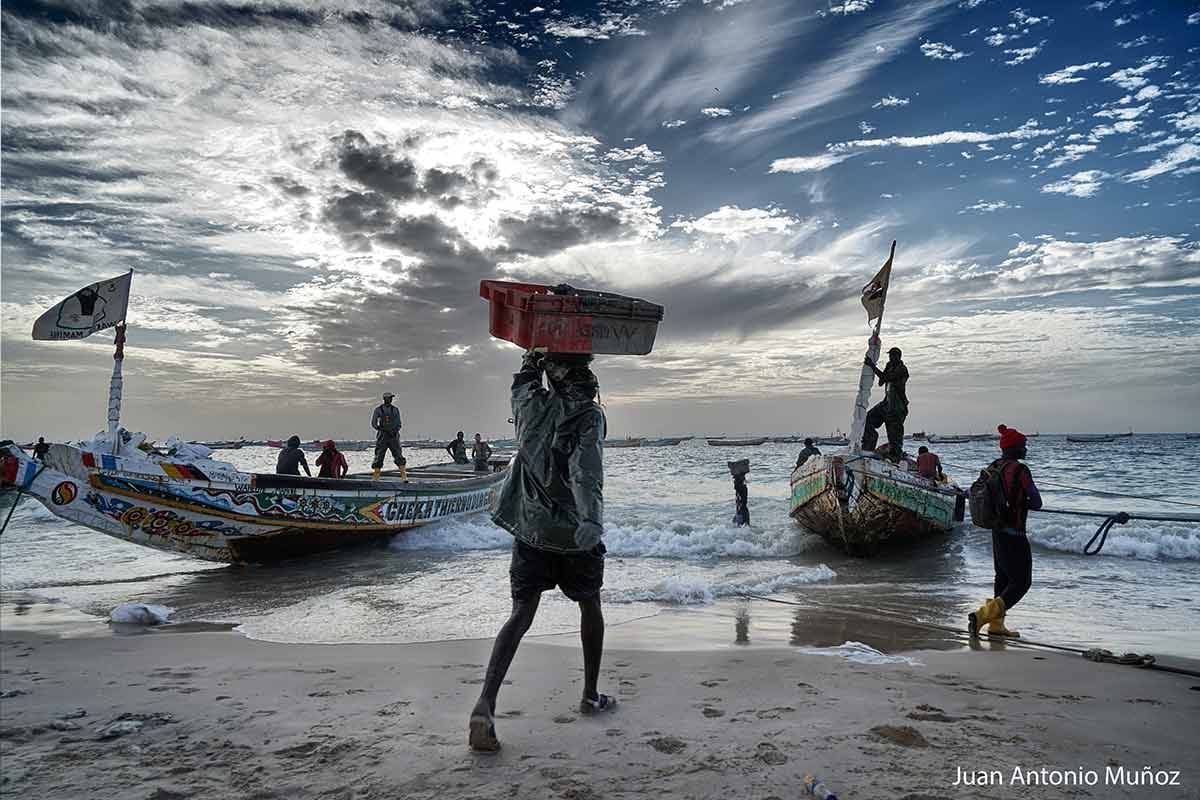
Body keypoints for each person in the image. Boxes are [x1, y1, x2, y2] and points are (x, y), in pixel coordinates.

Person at [469, 351, 611, 752]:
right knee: (590, 606)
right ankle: (589, 694)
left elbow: (521, 384)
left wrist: (534, 357)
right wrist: (591, 519)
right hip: (572, 533)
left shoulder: (530, 406)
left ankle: (485, 703)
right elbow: (586, 470)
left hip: (529, 529)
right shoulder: (588, 415)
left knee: (520, 615)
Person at [968, 424, 1042, 639]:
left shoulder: (993, 466)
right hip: (1015, 533)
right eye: (1024, 445)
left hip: (996, 530)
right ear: (1016, 448)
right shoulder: (1020, 469)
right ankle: (982, 615)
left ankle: (996, 626)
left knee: (1002, 578)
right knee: (1021, 582)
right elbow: (1036, 501)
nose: (1026, 449)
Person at [861, 346, 909, 461]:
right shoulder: (890, 366)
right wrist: (881, 371)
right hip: (886, 403)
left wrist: (872, 366)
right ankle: (869, 446)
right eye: (890, 356)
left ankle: (895, 457)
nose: (891, 358)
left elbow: (886, 377)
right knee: (868, 419)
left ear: (898, 356)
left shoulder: (902, 369)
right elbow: (881, 382)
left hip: (897, 407)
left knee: (894, 436)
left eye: (893, 356)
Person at [371, 391, 405, 480]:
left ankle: (404, 477)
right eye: (389, 398)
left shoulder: (395, 409)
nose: (390, 400)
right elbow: (374, 423)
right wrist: (381, 429)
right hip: (382, 437)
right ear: (385, 399)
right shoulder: (378, 410)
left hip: (393, 436)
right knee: (379, 456)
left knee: (398, 455)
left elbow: (399, 424)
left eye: (391, 398)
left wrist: (393, 431)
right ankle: (375, 478)